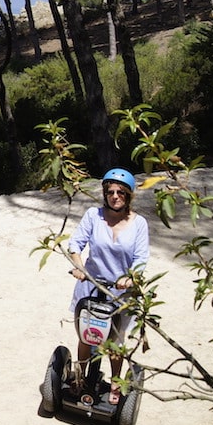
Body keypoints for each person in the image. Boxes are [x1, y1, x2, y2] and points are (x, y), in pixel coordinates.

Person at [67, 167, 149, 405]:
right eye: (111, 192)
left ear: (129, 196)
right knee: (86, 335)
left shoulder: (139, 223)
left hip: (120, 292)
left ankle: (115, 381)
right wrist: (79, 266)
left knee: (115, 340)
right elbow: (76, 243)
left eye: (121, 192)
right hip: (91, 287)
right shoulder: (94, 215)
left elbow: (141, 258)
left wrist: (131, 278)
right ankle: (80, 377)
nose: (115, 196)